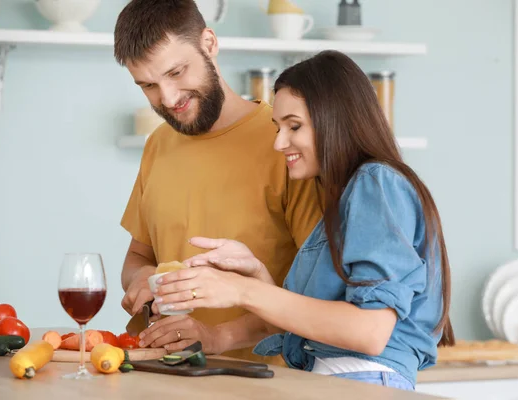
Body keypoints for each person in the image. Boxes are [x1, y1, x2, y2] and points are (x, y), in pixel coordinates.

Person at [145, 50, 455, 390]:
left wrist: (241, 290)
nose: (279, 142)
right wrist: (236, 306)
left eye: (294, 126)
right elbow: (311, 319)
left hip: (361, 381)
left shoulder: (376, 182)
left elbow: (368, 331)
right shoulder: (347, 199)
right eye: (278, 127)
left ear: (336, 118)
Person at [113, 0, 322, 364]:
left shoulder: (286, 143)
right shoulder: (158, 145)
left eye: (176, 72)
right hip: (170, 377)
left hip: (270, 381)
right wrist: (141, 278)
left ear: (209, 44)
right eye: (147, 85)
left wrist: (216, 337)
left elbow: (315, 294)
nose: (168, 98)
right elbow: (138, 255)